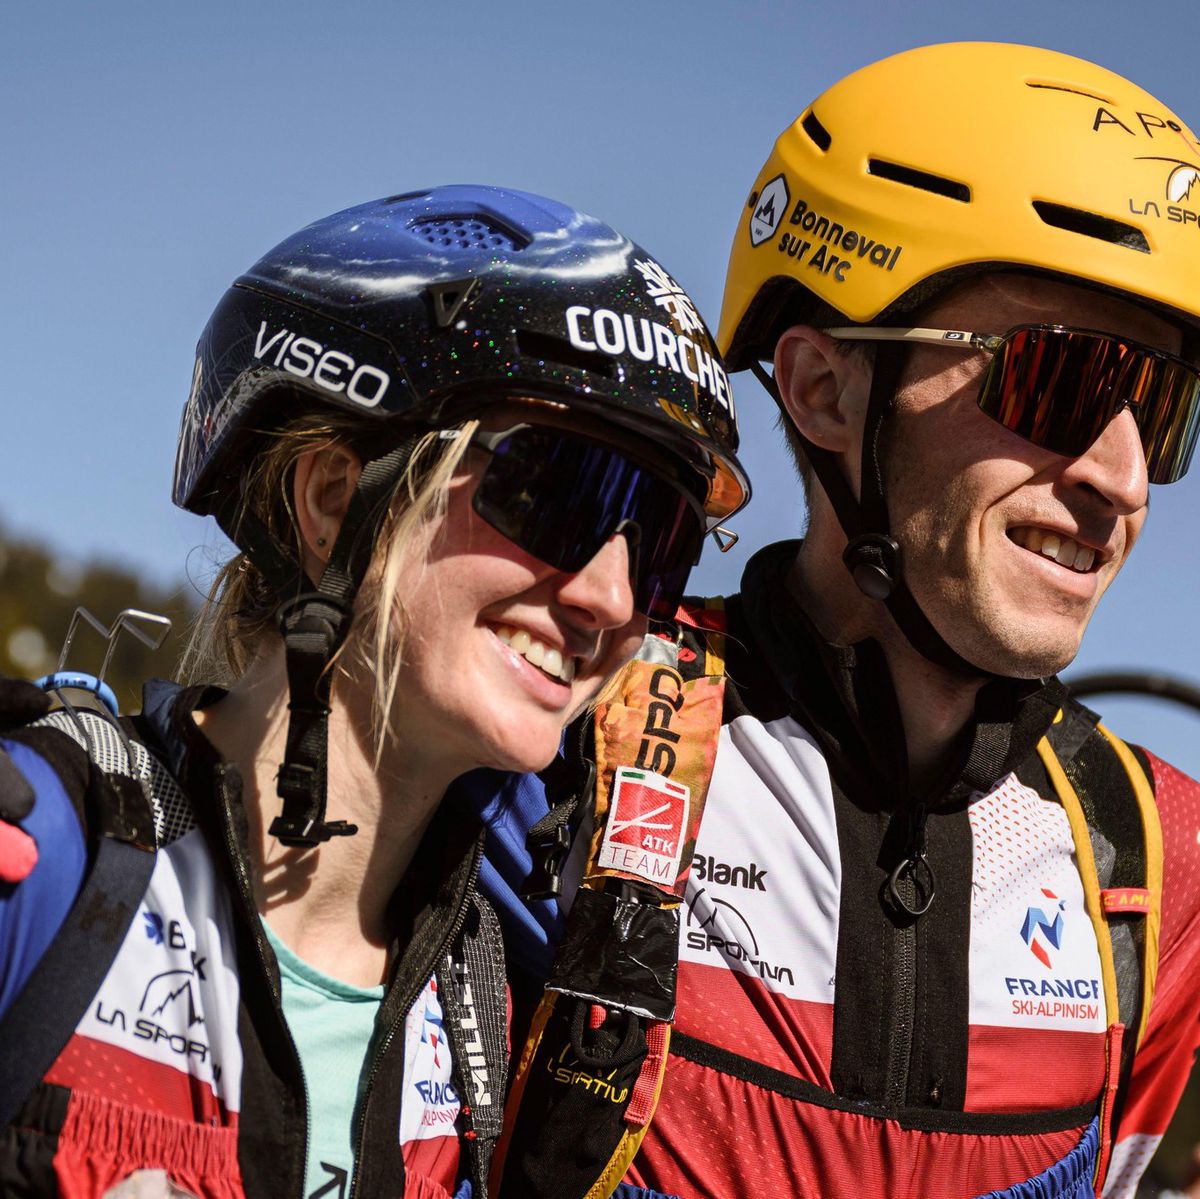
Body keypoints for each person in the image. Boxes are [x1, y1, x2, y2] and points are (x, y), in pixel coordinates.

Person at [485, 44, 1200, 1199]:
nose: (1122, 478)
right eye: (1062, 382)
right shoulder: (571, 721)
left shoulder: (1164, 860)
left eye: (1162, 411)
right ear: (824, 389)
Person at [0, 184, 747, 1198]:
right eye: (557, 493)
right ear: (331, 497)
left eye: (661, 544)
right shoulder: (51, 857)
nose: (611, 598)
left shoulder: (494, 1010)